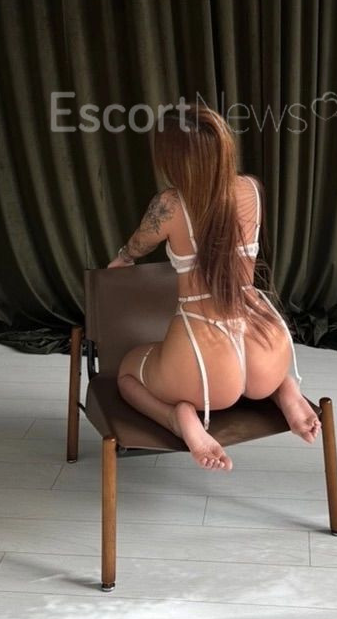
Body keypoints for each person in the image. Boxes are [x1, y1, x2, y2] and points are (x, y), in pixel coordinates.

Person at [111, 104, 321, 472]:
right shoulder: (251, 189)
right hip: (266, 345)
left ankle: (178, 417)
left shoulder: (169, 204)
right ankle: (284, 388)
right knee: (266, 375)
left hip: (204, 364)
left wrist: (123, 258)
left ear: (171, 158)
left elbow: (138, 246)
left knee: (127, 374)